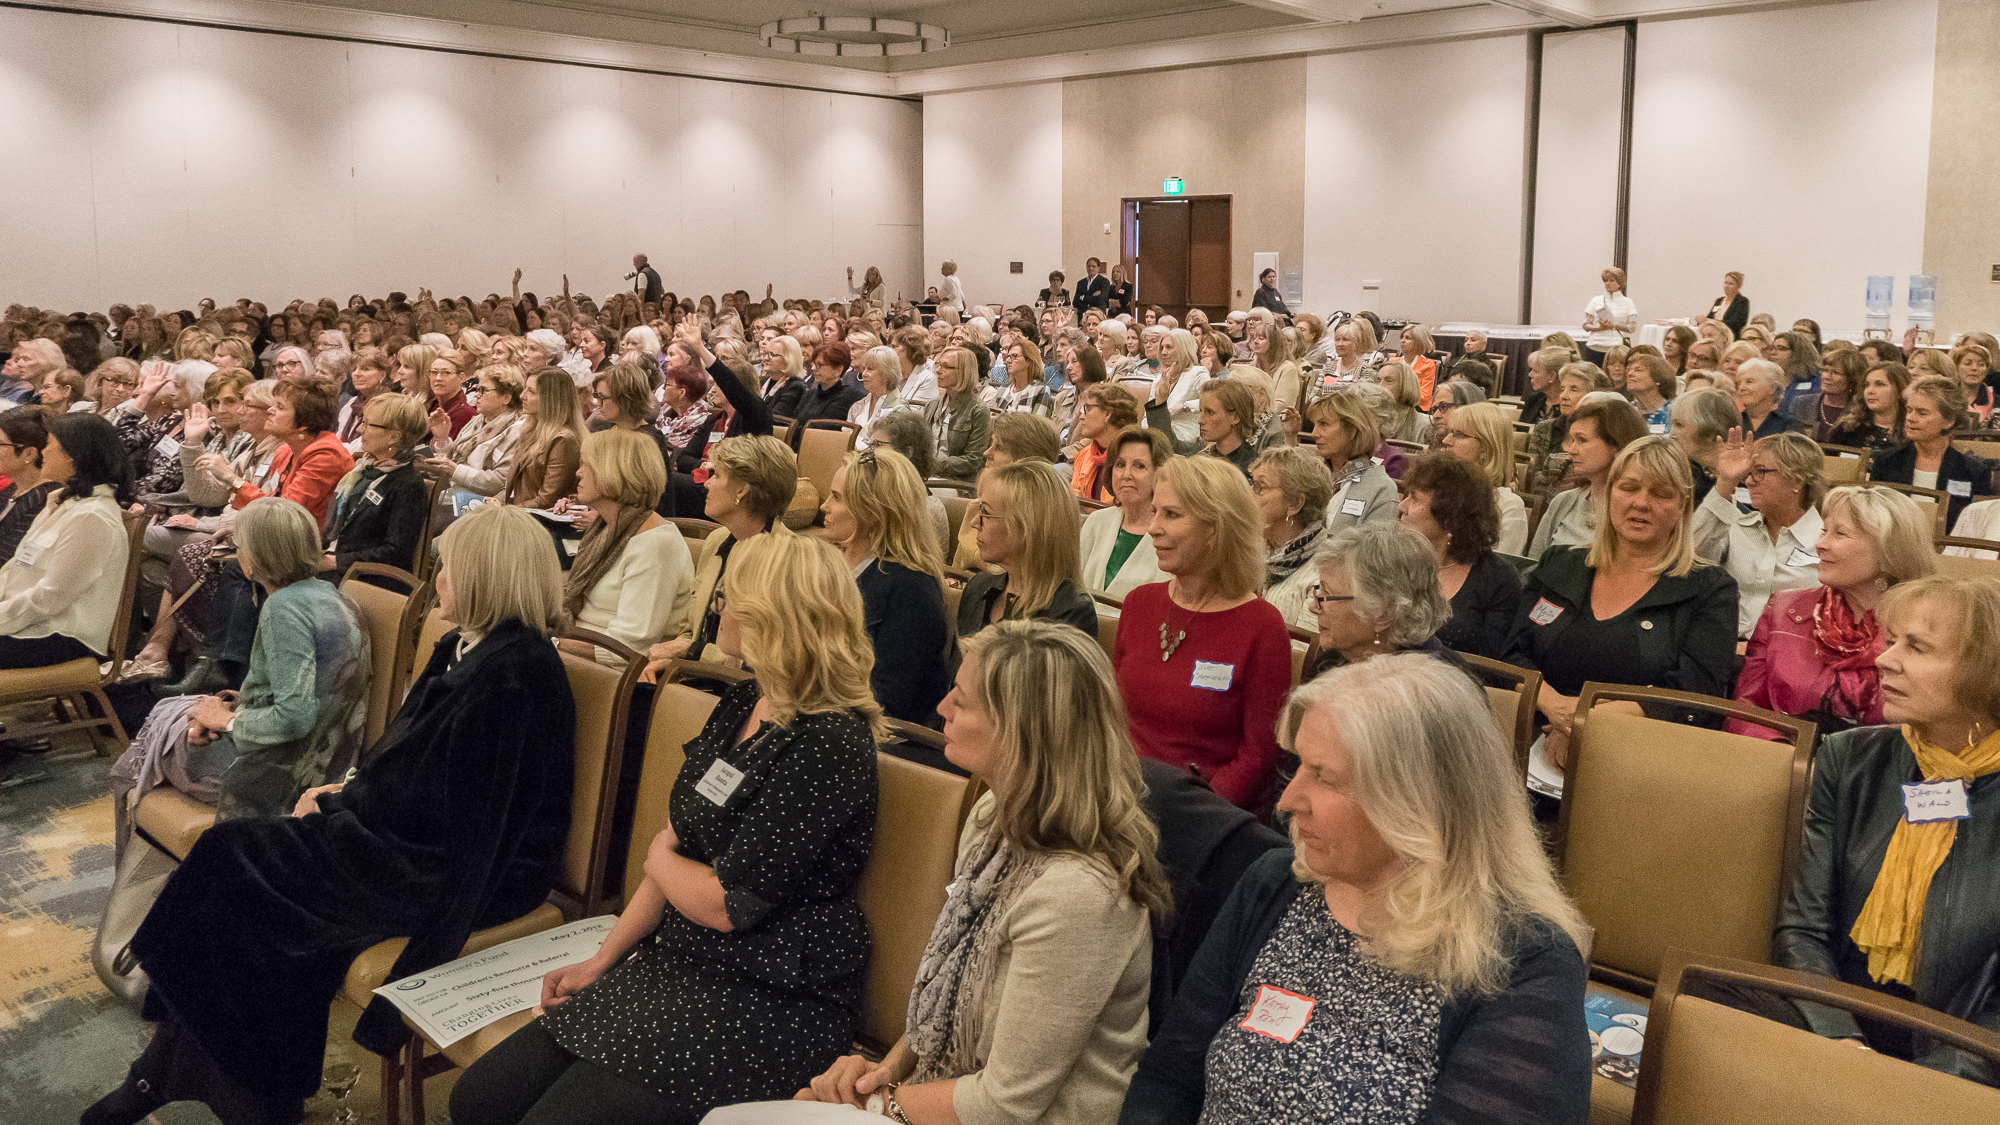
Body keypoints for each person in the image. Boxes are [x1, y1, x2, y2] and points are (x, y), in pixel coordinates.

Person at [93, 505, 576, 1125]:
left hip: (448, 869)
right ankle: (194, 1083)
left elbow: (482, 831)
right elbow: (406, 760)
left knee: (245, 885)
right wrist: (343, 793)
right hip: (396, 837)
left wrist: (351, 816)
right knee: (230, 869)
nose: (438, 580)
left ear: (486, 576)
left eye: (448, 567)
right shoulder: (466, 646)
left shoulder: (517, 676)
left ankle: (212, 1091)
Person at [456, 533, 884, 1125]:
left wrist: (660, 856)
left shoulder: (829, 743)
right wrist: (601, 960)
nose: (717, 609)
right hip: (681, 962)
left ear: (773, 619)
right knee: (479, 1101)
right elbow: (678, 842)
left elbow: (723, 905)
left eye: (731, 598)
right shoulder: (745, 701)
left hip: (768, 992)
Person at [1122, 654, 1591, 1125]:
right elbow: (1169, 1080)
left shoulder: (1523, 961)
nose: (1288, 802)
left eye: (1324, 777)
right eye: (1300, 766)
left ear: (1414, 803)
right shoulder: (1277, 884)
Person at [799, 619, 1168, 1124]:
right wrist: (880, 1076)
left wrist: (870, 1108)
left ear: (1022, 731)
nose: (942, 709)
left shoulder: (1079, 895)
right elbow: (944, 1002)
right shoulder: (991, 819)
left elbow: (1005, 1105)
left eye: (962, 700)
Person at [1772, 576, 2000, 1080]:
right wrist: (1840, 1040)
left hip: (1961, 1066)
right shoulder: (1852, 757)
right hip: (1833, 1027)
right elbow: (1803, 931)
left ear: (1987, 672)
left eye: (1915, 647)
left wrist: (1911, 1085)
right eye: (1892, 639)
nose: (1883, 659)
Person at [118, 495, 370, 832]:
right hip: (326, 760)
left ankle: (189, 874)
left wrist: (228, 722)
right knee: (181, 715)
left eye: (239, 546)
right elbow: (311, 688)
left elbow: (295, 718)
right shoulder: (336, 596)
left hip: (278, 773)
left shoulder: (283, 608)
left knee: (143, 748)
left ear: (251, 559)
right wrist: (237, 708)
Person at [1506, 436, 1739, 770]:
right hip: (1531, 736)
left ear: (1683, 505)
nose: (1640, 503)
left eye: (1660, 493)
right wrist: (1555, 706)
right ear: (1610, 492)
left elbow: (1694, 693)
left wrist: (1583, 723)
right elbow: (1511, 652)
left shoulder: (1710, 590)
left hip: (1641, 760)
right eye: (1629, 487)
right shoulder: (1560, 563)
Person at [1114, 455, 1291, 811]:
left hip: (1202, 818)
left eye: (1172, 514)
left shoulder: (1262, 627)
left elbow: (1257, 757)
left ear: (1217, 528)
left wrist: (1187, 815)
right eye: (1155, 511)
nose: (1153, 527)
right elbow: (1111, 719)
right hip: (1117, 800)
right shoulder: (1138, 604)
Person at [1730, 486, 1936, 741]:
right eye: (1824, 531)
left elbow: (1938, 729)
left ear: (1889, 551)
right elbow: (1744, 709)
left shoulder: (1929, 629)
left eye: (1839, 534)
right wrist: (1789, 758)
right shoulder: (1783, 610)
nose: (1820, 544)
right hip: (1781, 763)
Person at [643, 434, 796, 677]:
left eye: (716, 475)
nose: (706, 483)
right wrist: (671, 657)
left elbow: (772, 661)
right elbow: (690, 629)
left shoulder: (788, 561)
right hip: (693, 677)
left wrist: (695, 653)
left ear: (742, 490)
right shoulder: (717, 540)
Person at [822, 447, 952, 724]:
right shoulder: (827, 565)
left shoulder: (912, 590)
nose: (824, 506)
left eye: (836, 498)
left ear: (871, 512)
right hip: (823, 715)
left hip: (879, 738)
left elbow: (888, 700)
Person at [0, 412, 134, 668]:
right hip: (26, 624)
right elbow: (14, 569)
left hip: (60, 635)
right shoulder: (62, 501)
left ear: (73, 459)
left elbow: (50, 598)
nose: (43, 452)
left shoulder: (92, 516)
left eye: (49, 445)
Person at [557, 428, 692, 668]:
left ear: (613, 472)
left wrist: (555, 643)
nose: (577, 473)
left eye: (585, 465)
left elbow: (629, 648)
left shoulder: (656, 545)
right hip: (581, 654)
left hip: (611, 674)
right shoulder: (606, 528)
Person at [1694, 431, 1826, 637]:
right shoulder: (1737, 528)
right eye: (1748, 473)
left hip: (1792, 654)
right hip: (1728, 647)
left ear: (1796, 480)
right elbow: (1692, 558)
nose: (1748, 481)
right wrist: (1726, 481)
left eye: (1760, 471)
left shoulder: (1825, 543)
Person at [958, 461, 1097, 641]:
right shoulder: (978, 588)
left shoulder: (1071, 611)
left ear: (1027, 528)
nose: (974, 523)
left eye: (985, 512)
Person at [199, 375, 353, 534]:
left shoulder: (326, 455)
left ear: (304, 422)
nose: (270, 410)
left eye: (280, 407)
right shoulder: (286, 451)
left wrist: (232, 480)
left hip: (304, 546)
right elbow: (271, 504)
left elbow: (285, 513)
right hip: (278, 538)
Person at [1403, 453, 1521, 659]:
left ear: (1448, 516)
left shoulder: (1498, 579)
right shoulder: (1392, 561)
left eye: (1414, 498)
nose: (1401, 507)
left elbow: (1492, 666)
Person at [324, 392, 431, 575]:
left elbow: (395, 552)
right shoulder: (363, 470)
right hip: (338, 566)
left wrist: (336, 562)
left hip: (366, 580)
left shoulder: (408, 485)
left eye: (367, 424)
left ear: (393, 437)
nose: (359, 430)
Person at [1527, 396, 1647, 559]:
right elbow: (1534, 566)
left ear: (1617, 444)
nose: (1572, 450)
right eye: (1572, 440)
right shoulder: (1564, 502)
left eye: (1582, 440)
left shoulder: (1639, 511)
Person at [1867, 375, 1994, 530]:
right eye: (1909, 410)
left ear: (1949, 421)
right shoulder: (1885, 462)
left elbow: (1973, 529)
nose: (1910, 418)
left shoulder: (1974, 472)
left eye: (1922, 413)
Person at [1249, 444, 1335, 630]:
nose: (1249, 494)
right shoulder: (1247, 550)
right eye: (1252, 483)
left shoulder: (1323, 575)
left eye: (1259, 486)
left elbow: (1302, 653)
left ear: (1295, 503)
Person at [1081, 426, 1173, 598]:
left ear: (1159, 474)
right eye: (1120, 464)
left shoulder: (1169, 533)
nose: (1126, 474)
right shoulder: (1096, 521)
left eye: (1139, 466)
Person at [1439, 401, 1529, 555]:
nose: (1446, 440)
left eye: (1459, 434)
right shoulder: (1438, 491)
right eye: (1449, 432)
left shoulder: (1508, 506)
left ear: (1486, 449)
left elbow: (1499, 572)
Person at [1304, 390, 1397, 532]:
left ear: (1353, 429)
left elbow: (1374, 550)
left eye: (1324, 424)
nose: (1314, 433)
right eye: (1314, 425)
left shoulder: (1382, 488)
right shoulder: (1311, 473)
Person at [505, 367, 584, 508]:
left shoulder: (563, 441)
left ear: (551, 400)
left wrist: (505, 511)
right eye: (525, 389)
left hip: (538, 522)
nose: (522, 395)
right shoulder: (529, 431)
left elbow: (547, 500)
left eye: (531, 391)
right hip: (519, 512)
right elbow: (511, 488)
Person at [0, 406, 62, 563]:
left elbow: (8, 560)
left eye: (1, 444)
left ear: (29, 454)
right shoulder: (14, 488)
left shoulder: (44, 501)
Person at [923, 346, 990, 483]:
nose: (938, 371)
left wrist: (933, 465)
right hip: (928, 476)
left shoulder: (978, 410)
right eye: (938, 365)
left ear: (964, 372)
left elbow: (973, 461)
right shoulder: (932, 406)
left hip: (955, 481)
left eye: (946, 367)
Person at [1070, 383, 1141, 504]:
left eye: (1088, 408)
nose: (1082, 416)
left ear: (1108, 414)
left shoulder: (1136, 460)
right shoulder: (1082, 456)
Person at [1669, 384, 1735, 506]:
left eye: (1679, 425)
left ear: (1710, 432)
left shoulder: (1747, 475)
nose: (1671, 434)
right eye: (1671, 424)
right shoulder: (1679, 474)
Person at [847, 344, 908, 448]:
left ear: (887, 373)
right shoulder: (857, 406)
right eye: (864, 368)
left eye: (870, 369)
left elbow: (891, 449)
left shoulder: (899, 409)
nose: (864, 373)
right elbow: (845, 437)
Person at [795, 342, 864, 427]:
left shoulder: (845, 397)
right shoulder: (809, 395)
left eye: (819, 365)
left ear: (838, 370)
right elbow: (793, 423)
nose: (813, 368)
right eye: (814, 364)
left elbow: (823, 430)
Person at [1581, 267, 1637, 365]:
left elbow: (1632, 327)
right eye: (1606, 280)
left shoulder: (1628, 302)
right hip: (1595, 346)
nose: (1608, 283)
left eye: (1611, 280)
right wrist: (1599, 327)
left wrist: (1614, 326)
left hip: (1617, 349)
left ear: (1620, 283)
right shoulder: (1595, 300)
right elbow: (1585, 325)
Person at [1707, 271, 1750, 336]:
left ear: (1738, 286)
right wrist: (1702, 320)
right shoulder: (1719, 301)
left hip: (1731, 338)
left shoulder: (1742, 301)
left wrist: (1711, 322)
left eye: (1731, 284)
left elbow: (1735, 324)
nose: (1727, 286)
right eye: (1726, 282)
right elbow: (1709, 317)